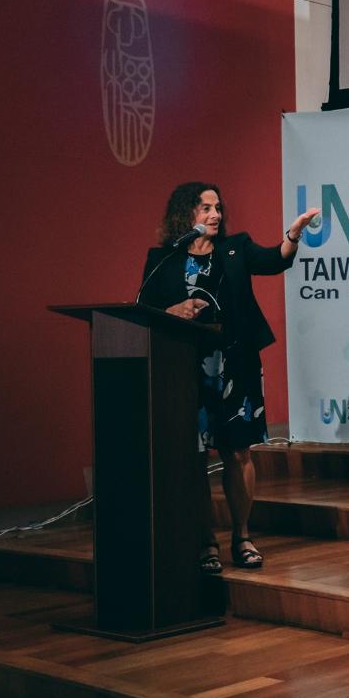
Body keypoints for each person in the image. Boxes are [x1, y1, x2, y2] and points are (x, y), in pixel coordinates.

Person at [139, 182, 319, 573]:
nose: (215, 215)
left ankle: (242, 535)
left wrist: (293, 235)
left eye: (217, 207)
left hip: (234, 363)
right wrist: (174, 310)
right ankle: (205, 541)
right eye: (205, 208)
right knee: (195, 454)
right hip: (184, 368)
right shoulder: (162, 258)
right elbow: (145, 308)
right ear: (185, 214)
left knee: (238, 451)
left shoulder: (235, 247)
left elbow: (276, 260)